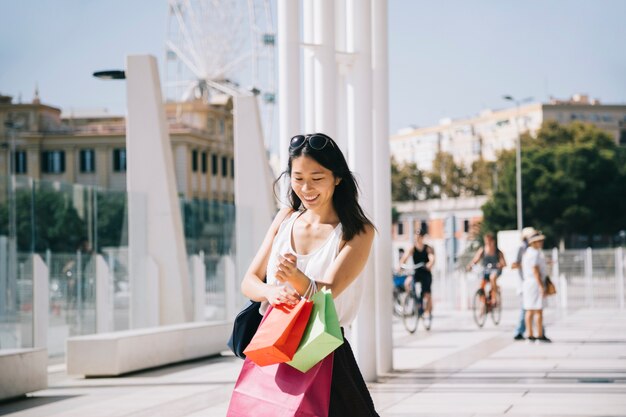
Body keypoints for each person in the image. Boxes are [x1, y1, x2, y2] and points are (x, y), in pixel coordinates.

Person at [237, 132, 379, 416]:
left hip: (323, 348)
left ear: (337, 177)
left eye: (317, 178)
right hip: (274, 343)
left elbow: (328, 292)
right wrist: (271, 291)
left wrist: (293, 276)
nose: (306, 187)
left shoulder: (357, 231)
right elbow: (249, 281)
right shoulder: (285, 217)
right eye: (298, 178)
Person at [398, 229, 435, 320]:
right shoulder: (412, 248)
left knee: (426, 293)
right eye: (416, 236)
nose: (417, 238)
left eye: (419, 237)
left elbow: (432, 258)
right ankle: (413, 299)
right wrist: (401, 266)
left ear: (422, 238)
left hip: (425, 272)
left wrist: (429, 264)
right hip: (417, 272)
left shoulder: (427, 248)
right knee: (407, 283)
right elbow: (405, 258)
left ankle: (428, 311)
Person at [522, 231, 551, 343]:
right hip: (534, 283)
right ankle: (538, 335)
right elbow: (535, 271)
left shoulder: (529, 252)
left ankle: (530, 335)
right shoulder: (534, 253)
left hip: (529, 283)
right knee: (538, 310)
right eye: (539, 241)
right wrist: (541, 286)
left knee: (530, 309)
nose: (541, 242)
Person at [511, 227, 537, 341]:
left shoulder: (534, 248)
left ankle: (536, 331)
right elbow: (514, 264)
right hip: (524, 282)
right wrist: (526, 265)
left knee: (534, 307)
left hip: (531, 282)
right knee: (525, 307)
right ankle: (519, 331)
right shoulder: (521, 248)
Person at [466, 233, 506, 305]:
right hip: (485, 270)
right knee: (481, 285)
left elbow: (504, 263)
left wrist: (500, 264)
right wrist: (470, 265)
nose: (487, 243)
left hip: (495, 270)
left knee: (492, 277)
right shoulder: (483, 250)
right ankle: (484, 303)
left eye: (489, 241)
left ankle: (494, 298)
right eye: (486, 242)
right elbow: (476, 259)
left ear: (493, 241)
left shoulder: (498, 251)